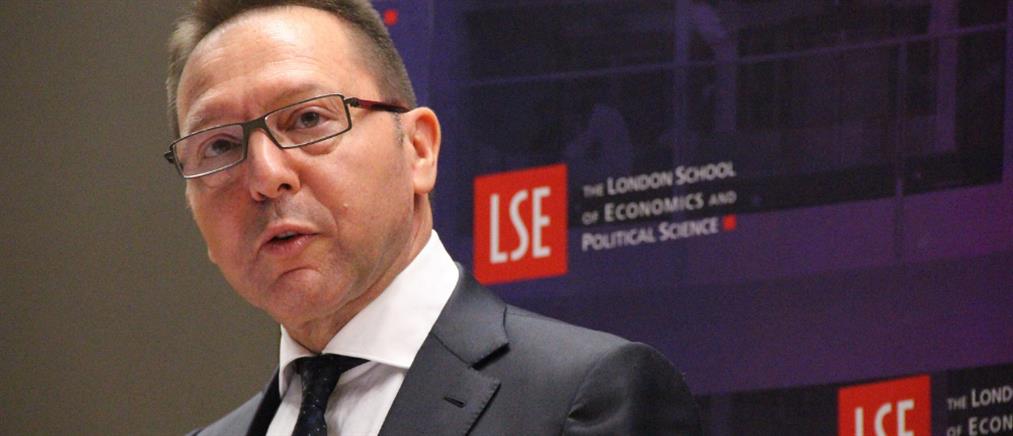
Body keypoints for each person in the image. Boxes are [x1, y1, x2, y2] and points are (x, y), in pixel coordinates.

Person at [163, 1, 702, 434]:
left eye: (307, 118)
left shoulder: (585, 399)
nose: (264, 176)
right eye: (218, 146)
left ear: (418, 150)